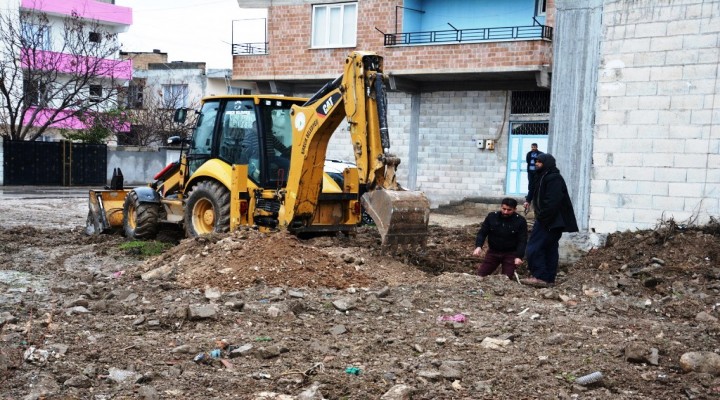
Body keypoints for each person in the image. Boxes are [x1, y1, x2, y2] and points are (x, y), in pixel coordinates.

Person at [521, 153, 578, 288]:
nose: (536, 164)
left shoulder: (553, 179)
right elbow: (533, 191)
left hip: (550, 221)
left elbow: (552, 201)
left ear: (547, 163)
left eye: (539, 162)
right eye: (536, 161)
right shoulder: (541, 177)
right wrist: (528, 200)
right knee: (549, 248)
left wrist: (542, 218)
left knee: (534, 247)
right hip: (551, 220)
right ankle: (548, 279)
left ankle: (540, 277)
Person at [472, 198, 528, 279]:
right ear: (500, 207)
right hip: (493, 252)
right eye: (504, 209)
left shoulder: (520, 221)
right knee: (480, 276)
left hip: (510, 254)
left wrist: (519, 256)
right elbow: (482, 233)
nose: (505, 212)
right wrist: (478, 246)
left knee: (506, 278)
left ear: (515, 209)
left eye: (509, 210)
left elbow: (522, 240)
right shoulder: (492, 217)